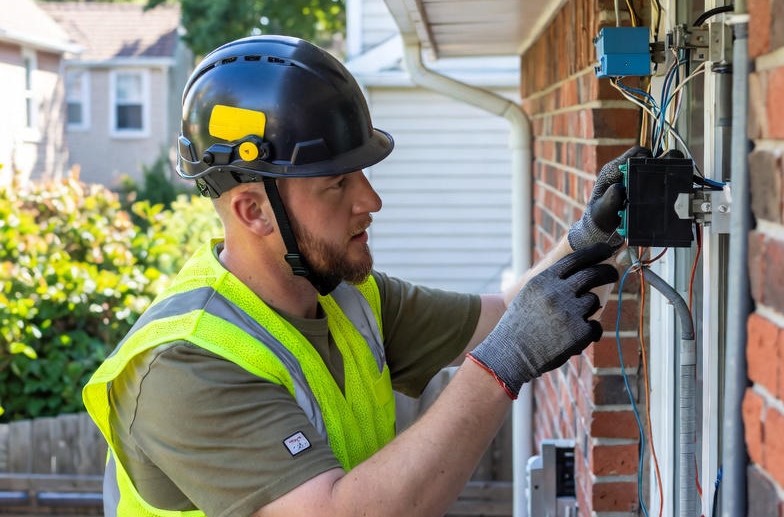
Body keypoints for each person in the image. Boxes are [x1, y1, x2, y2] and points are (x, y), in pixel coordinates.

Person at [82, 35, 642, 517]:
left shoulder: (346, 299)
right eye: (336, 184)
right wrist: (502, 367)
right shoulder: (184, 365)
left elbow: (508, 315)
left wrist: (589, 238)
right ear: (253, 211)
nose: (371, 201)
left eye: (362, 176)